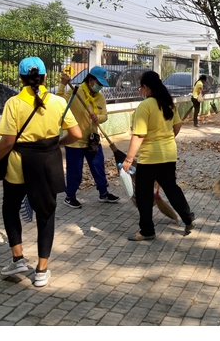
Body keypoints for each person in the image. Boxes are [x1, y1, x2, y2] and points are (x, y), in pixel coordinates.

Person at [0, 57, 81, 288]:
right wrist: (56, 143)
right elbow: (76, 134)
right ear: (45, 77)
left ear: (21, 79)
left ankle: (18, 259)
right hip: (48, 165)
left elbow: (7, 142)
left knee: (10, 208)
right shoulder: (58, 102)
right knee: (46, 214)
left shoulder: (13, 103)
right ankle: (41, 270)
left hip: (18, 166)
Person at [120, 71, 196, 241]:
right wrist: (166, 139)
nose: (140, 90)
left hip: (149, 158)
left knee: (143, 194)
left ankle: (147, 230)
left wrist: (129, 159)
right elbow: (177, 126)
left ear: (146, 87)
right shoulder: (168, 103)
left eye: (140, 87)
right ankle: (188, 219)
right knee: (172, 189)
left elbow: (139, 135)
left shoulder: (145, 106)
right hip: (169, 154)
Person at [57, 66, 120, 208]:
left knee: (98, 167)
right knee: (75, 170)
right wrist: (62, 84)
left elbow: (105, 115)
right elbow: (58, 102)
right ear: (90, 80)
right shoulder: (75, 91)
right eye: (99, 83)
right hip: (75, 140)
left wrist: (98, 117)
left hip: (93, 140)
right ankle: (70, 196)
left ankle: (103, 193)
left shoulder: (100, 97)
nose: (100, 87)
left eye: (102, 84)